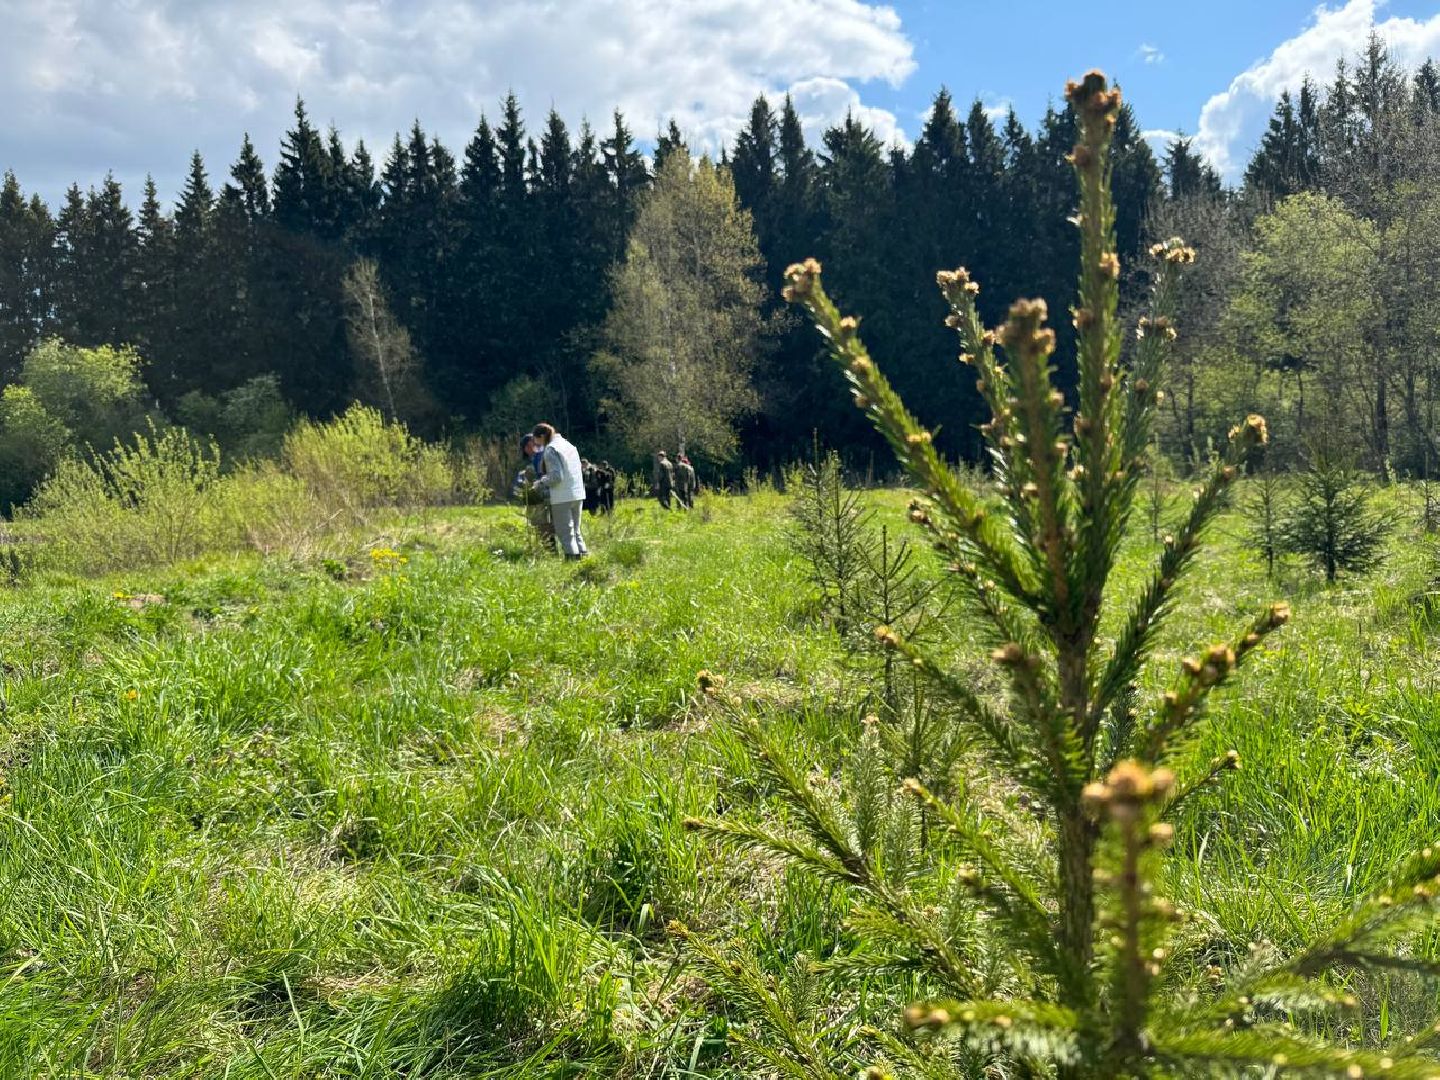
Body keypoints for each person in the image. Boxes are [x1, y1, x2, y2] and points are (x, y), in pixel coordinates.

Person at [531, 422, 589, 559]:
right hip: (578, 493)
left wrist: (540, 482)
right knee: (576, 530)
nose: (537, 443)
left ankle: (572, 560)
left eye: (537, 440)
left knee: (565, 531)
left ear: (542, 436)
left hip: (562, 495)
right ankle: (584, 558)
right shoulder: (568, 445)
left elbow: (557, 476)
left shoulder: (551, 449)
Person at [513, 434, 555, 548]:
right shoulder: (529, 461)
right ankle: (549, 552)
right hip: (535, 499)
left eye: (533, 442)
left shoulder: (545, 455)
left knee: (547, 526)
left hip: (547, 496)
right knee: (541, 526)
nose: (531, 447)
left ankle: (552, 552)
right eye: (528, 445)